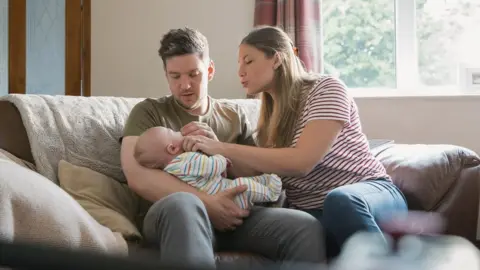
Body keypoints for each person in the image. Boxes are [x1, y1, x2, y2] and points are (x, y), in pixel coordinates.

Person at [182, 25, 409, 257]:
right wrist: (216, 153)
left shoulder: (326, 89)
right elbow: (257, 173)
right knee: (296, 227)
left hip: (369, 194)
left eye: (248, 61)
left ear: (277, 59)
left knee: (340, 201)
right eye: (239, 63)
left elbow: (302, 162)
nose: (240, 71)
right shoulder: (267, 120)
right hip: (314, 211)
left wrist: (222, 146)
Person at [120, 27, 326, 269]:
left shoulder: (233, 116)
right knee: (184, 203)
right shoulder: (148, 112)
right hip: (173, 217)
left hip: (235, 217)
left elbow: (256, 174)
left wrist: (219, 148)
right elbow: (136, 175)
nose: (185, 85)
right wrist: (208, 203)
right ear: (166, 76)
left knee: (304, 226)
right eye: (175, 76)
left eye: (193, 74)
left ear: (209, 70)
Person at [133, 126, 283, 209]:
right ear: (172, 148)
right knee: (242, 185)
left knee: (249, 181)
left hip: (222, 188)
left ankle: (266, 181)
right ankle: (272, 193)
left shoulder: (171, 170)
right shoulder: (184, 160)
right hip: (228, 197)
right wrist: (221, 158)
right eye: (173, 132)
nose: (179, 132)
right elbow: (210, 167)